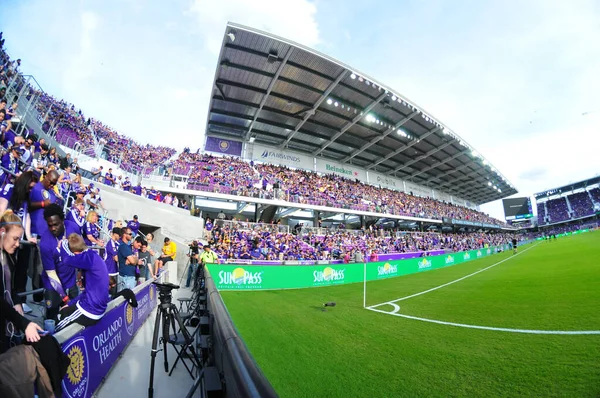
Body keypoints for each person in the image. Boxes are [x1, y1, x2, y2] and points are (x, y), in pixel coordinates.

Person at [0, 210, 44, 353]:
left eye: (19, 239)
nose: (18, 244)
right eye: (15, 238)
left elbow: (9, 286)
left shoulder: (8, 256)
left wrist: (17, 300)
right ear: (2, 232)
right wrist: (25, 323)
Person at [55, 234, 109, 332]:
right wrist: (70, 303)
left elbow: (66, 259)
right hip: (96, 307)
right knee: (66, 309)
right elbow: (88, 292)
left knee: (58, 322)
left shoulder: (88, 259)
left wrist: (63, 243)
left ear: (76, 253)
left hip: (90, 310)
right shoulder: (92, 255)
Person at [39, 204, 82, 321]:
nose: (53, 228)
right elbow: (51, 274)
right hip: (52, 285)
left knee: (73, 317)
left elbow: (81, 251)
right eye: (50, 225)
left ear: (62, 220)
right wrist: (64, 297)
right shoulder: (45, 243)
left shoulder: (73, 228)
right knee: (51, 320)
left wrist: (80, 272)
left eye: (56, 224)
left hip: (71, 281)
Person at [28, 169, 59, 236]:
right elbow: (26, 205)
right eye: (51, 182)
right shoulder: (34, 187)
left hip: (45, 233)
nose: (52, 185)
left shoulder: (52, 194)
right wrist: (42, 204)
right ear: (46, 177)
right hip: (32, 230)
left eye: (54, 184)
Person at [105, 227, 122, 296]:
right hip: (110, 272)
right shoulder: (111, 243)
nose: (120, 237)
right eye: (119, 235)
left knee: (114, 293)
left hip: (115, 270)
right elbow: (116, 258)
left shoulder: (116, 243)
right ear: (115, 234)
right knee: (111, 294)